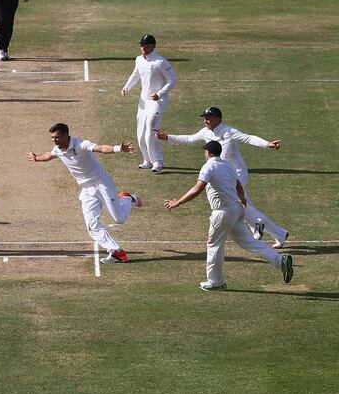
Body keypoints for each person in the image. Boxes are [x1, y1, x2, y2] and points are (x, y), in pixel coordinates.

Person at [164, 141, 293, 291]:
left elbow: (197, 189)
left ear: (209, 153)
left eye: (205, 151)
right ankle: (279, 259)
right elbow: (238, 185)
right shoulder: (228, 165)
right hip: (236, 209)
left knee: (214, 245)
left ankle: (215, 282)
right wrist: (243, 199)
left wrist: (177, 202)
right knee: (248, 242)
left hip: (223, 212)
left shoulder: (209, 166)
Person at [155, 106, 289, 248]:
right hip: (223, 174)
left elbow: (248, 138)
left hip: (236, 173)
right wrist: (167, 137)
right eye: (205, 118)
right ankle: (277, 233)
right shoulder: (205, 132)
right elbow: (189, 138)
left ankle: (259, 224)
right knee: (241, 203)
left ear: (217, 119)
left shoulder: (229, 131)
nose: (205, 121)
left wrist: (267, 144)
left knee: (238, 202)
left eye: (208, 118)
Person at [26, 123, 142, 263]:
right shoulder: (58, 149)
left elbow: (101, 148)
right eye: (52, 138)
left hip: (102, 184)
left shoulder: (81, 144)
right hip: (87, 190)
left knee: (119, 219)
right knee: (92, 225)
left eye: (56, 138)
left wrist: (118, 148)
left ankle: (127, 198)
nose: (54, 141)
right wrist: (37, 158)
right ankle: (117, 252)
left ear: (65, 135)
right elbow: (49, 155)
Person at [121, 34, 177, 173]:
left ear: (153, 46)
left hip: (157, 101)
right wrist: (127, 87)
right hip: (143, 101)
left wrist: (160, 93)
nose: (143, 49)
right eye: (142, 46)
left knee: (151, 128)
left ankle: (157, 161)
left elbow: (172, 80)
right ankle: (147, 160)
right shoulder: (139, 59)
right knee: (140, 133)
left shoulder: (160, 62)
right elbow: (135, 74)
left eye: (146, 46)